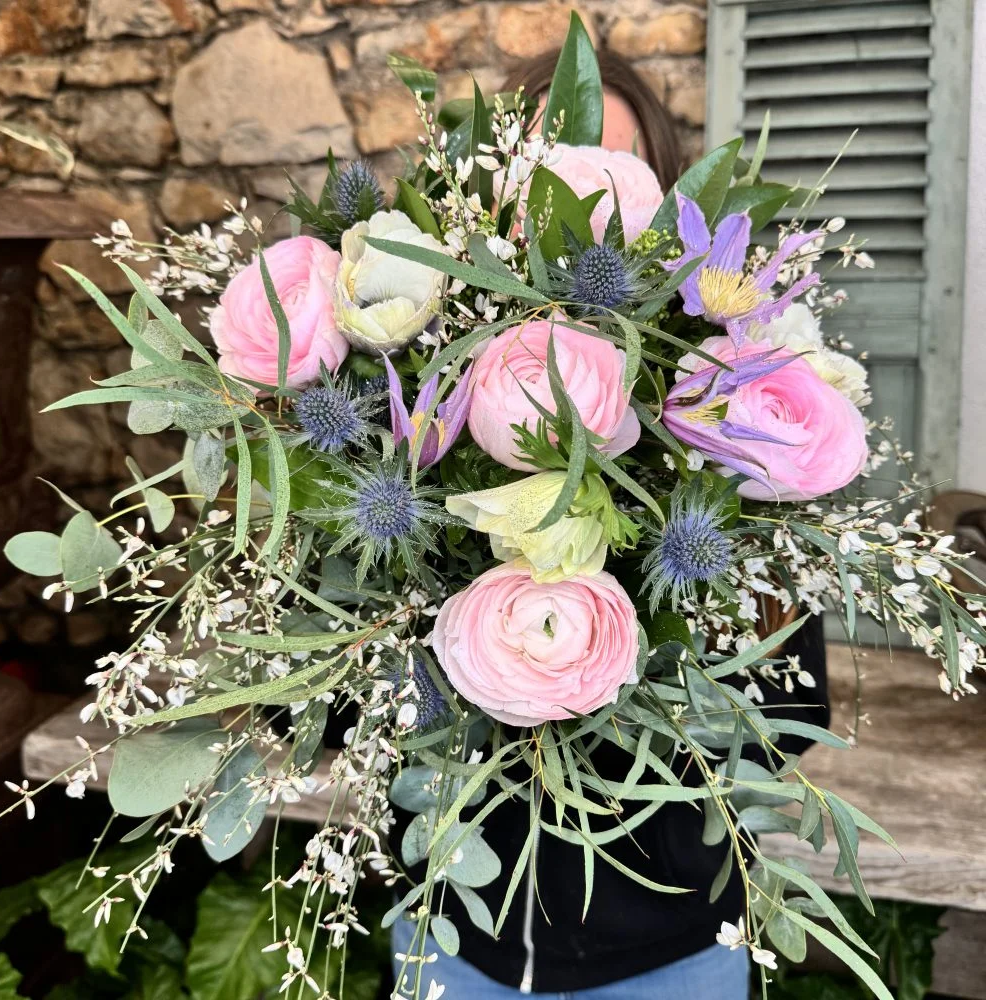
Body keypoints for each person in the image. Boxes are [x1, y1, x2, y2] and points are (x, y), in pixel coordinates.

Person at [390, 50, 831, 999]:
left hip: (675, 948)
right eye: (554, 172)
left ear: (673, 219)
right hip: (458, 936)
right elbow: (359, 720)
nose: (579, 215)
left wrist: (633, 687)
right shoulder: (409, 435)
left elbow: (794, 719)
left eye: (616, 179)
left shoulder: (738, 436)